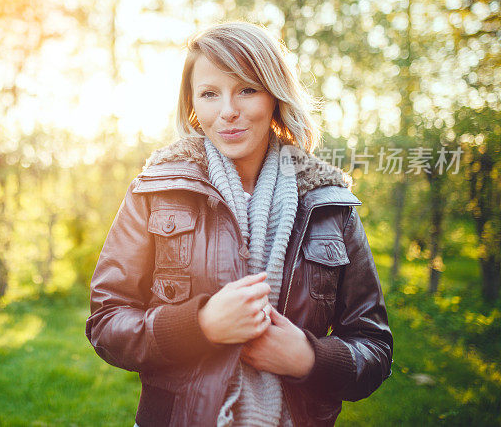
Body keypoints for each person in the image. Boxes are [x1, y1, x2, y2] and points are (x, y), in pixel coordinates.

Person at [85, 21, 392, 427]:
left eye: (246, 89)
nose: (228, 110)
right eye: (210, 94)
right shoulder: (155, 191)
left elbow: (374, 346)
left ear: (274, 96)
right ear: (193, 105)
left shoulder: (329, 204)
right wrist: (201, 325)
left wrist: (308, 358)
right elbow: (107, 322)